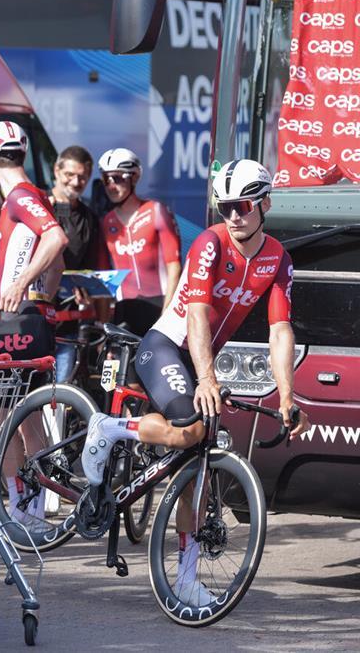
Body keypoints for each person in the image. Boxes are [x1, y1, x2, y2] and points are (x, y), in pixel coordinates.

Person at [80, 159, 310, 607]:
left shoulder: (277, 259)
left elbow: (280, 330)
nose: (233, 216)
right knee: (192, 428)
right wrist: (207, 378)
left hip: (199, 357)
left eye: (243, 206)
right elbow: (198, 314)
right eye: (225, 207)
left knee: (196, 465)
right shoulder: (210, 243)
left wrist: (287, 396)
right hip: (167, 346)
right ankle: (109, 428)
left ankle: (186, 578)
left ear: (265, 204)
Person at [0, 120, 68, 526]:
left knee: (2, 417)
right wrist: (44, 297)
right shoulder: (30, 196)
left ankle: (23, 504)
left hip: (20, 319)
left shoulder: (19, 196)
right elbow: (58, 262)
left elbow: (57, 239)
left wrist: (21, 285)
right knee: (27, 417)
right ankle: (31, 504)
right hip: (31, 315)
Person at [98, 148, 182, 336]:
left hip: (159, 304)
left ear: (134, 178)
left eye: (117, 178)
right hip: (124, 308)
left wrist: (167, 314)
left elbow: (174, 267)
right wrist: (103, 326)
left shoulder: (156, 211)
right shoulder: (107, 222)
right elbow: (105, 277)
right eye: (106, 179)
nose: (111, 185)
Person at [47, 145, 103, 383]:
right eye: (70, 175)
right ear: (57, 171)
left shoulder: (90, 219)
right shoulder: (39, 206)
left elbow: (89, 270)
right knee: (28, 393)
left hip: (68, 324)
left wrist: (87, 291)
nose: (76, 182)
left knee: (61, 393)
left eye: (82, 177)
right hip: (34, 319)